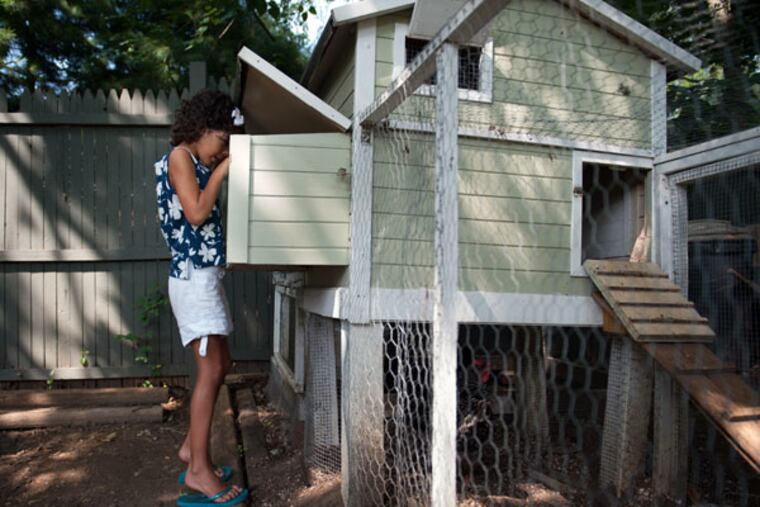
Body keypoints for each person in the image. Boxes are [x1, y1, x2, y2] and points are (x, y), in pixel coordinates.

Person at [155, 89, 248, 506]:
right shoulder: (180, 157)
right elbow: (195, 212)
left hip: (204, 278)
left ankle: (193, 450)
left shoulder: (192, 162)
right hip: (192, 280)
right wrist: (223, 172)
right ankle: (198, 471)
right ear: (204, 129)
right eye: (222, 141)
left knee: (220, 363)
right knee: (210, 371)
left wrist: (218, 168)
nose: (222, 151)